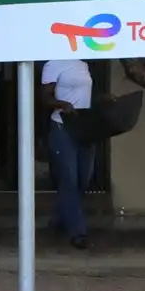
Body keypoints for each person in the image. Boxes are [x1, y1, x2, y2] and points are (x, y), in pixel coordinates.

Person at [41, 58, 94, 249]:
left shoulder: (83, 64)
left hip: (84, 127)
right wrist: (63, 104)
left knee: (83, 179)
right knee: (69, 179)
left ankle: (60, 219)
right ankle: (78, 232)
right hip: (62, 126)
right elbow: (45, 98)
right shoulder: (53, 64)